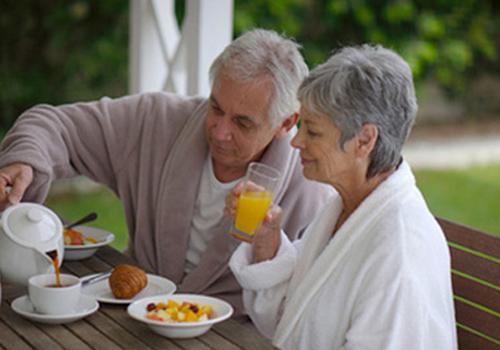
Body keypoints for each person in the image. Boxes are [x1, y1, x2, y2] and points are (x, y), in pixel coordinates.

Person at [0, 29, 332, 314]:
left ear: (286, 123)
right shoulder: (156, 121)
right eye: (215, 107)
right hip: (130, 317)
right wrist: (24, 162)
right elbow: (52, 124)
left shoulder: (312, 190)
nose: (218, 131)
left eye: (242, 123)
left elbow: (301, 313)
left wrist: (267, 251)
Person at [227, 44, 457, 348]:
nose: (296, 141)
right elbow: (291, 321)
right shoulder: (346, 208)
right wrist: (267, 242)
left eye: (313, 131)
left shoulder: (400, 250)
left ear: (364, 140)